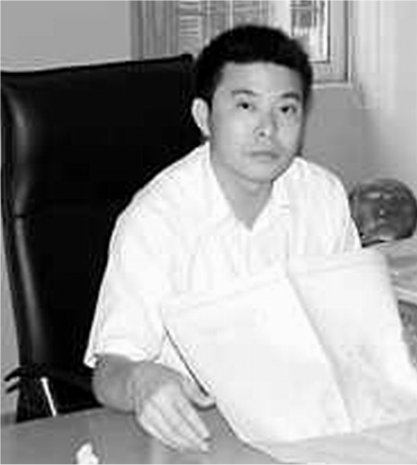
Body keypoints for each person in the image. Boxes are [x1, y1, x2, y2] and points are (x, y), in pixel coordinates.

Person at [84, 24, 362, 451]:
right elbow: (109, 372)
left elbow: (348, 319)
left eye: (286, 109)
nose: (268, 128)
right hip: (195, 438)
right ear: (204, 118)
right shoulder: (156, 220)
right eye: (246, 106)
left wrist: (379, 334)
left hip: (305, 428)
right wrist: (140, 381)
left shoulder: (322, 196)